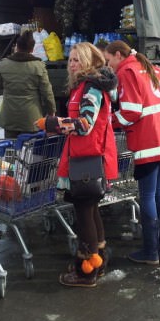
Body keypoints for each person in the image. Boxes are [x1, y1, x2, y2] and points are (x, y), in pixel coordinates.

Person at [36, 42, 118, 288]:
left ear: (88, 63)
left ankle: (87, 270)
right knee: (90, 211)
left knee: (84, 214)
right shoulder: (85, 86)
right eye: (70, 60)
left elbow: (84, 125)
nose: (71, 65)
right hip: (85, 157)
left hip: (88, 159)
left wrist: (52, 124)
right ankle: (98, 259)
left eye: (76, 60)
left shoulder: (91, 88)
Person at [104, 40, 160, 265]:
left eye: (108, 60)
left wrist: (106, 121)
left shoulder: (128, 71)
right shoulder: (152, 69)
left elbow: (131, 111)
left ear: (119, 55)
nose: (108, 66)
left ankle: (150, 252)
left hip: (149, 141)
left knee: (148, 195)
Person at [0, 30, 56, 139]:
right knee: (32, 151)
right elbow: (47, 93)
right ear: (32, 49)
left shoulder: (4, 64)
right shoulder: (38, 66)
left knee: (10, 150)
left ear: (17, 47)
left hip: (9, 117)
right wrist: (51, 112)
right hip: (32, 118)